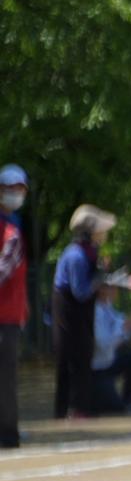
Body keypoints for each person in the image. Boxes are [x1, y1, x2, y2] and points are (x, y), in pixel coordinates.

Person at [52, 206, 118, 419]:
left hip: (79, 317)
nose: (104, 234)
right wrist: (99, 278)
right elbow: (80, 292)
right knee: (73, 361)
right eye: (100, 230)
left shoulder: (87, 253)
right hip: (70, 316)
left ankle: (78, 408)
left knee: (81, 359)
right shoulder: (76, 256)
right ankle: (72, 409)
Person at [89, 278, 131, 412]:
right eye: (112, 287)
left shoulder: (108, 307)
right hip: (97, 369)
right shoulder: (94, 312)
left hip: (108, 361)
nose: (116, 291)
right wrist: (125, 329)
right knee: (115, 409)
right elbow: (103, 345)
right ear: (102, 290)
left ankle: (130, 398)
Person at [0, 164, 27, 448]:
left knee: (7, 376)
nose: (15, 194)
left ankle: (8, 432)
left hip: (9, 314)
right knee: (5, 377)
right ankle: (7, 433)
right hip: (4, 315)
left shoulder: (13, 226)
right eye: (9, 189)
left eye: (20, 189)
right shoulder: (11, 230)